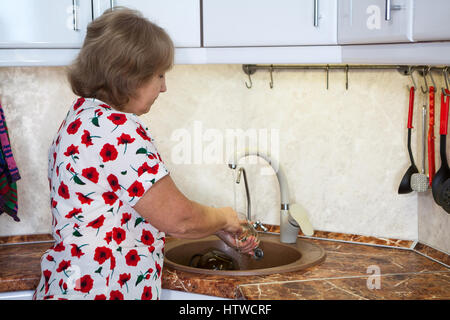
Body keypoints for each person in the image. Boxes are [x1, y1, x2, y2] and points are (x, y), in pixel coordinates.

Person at [33, 7, 257, 300]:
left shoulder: (82, 117)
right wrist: (224, 216)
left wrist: (214, 225)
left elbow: (144, 207)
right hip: (101, 291)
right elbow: (180, 219)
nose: (164, 87)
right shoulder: (116, 129)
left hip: (71, 285)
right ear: (128, 75)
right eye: (159, 75)